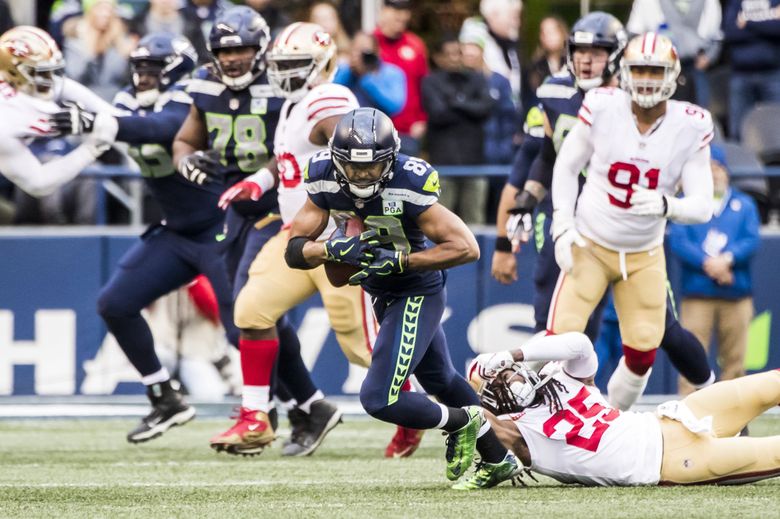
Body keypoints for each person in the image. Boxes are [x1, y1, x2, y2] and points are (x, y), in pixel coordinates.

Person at [285, 107, 521, 490]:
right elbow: (295, 251)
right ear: (336, 159)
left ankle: (465, 422)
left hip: (414, 288)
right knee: (441, 379)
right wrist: (332, 250)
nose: (362, 176)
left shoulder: (409, 181)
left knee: (378, 398)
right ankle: (498, 458)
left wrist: (402, 260)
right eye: (353, 167)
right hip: (380, 291)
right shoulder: (323, 177)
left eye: (371, 168)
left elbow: (466, 247)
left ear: (390, 159)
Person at [496, 15, 713, 399]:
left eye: (596, 52)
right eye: (579, 51)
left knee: (654, 338)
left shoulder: (689, 124)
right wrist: (551, 220)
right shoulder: (584, 101)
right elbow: (551, 161)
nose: (646, 80)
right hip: (588, 233)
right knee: (561, 328)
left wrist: (667, 205)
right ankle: (521, 397)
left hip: (642, 246)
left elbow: (701, 203)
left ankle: (628, 417)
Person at [171, 7, 326, 457]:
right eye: (224, 50)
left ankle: (268, 409)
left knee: (251, 310)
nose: (233, 58)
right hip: (236, 210)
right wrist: (187, 162)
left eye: (241, 48)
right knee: (256, 315)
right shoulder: (204, 84)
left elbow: (297, 145)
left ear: (261, 50)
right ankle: (303, 406)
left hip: (284, 208)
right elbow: (185, 140)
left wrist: (262, 176)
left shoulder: (286, 83)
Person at [92, 33, 251, 443]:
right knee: (115, 303)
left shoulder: (194, 92)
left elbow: (161, 128)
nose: (142, 78)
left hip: (218, 226)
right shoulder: (128, 99)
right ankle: (164, 398)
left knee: (244, 326)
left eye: (152, 70)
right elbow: (121, 126)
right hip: (177, 230)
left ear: (175, 69)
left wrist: (96, 121)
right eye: (139, 69)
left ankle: (304, 405)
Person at [469, 332, 780, 486]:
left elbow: (578, 343)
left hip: (676, 417)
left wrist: (510, 353)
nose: (510, 379)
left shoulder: (563, 377)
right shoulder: (521, 437)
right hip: (674, 463)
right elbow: (470, 418)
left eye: (507, 371)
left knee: (772, 383)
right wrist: (468, 385)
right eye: (497, 383)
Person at [669, 144, 761, 395]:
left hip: (736, 295)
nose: (714, 174)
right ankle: (687, 415)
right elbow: (679, 241)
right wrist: (708, 264)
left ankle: (734, 417)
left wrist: (727, 259)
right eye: (708, 169)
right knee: (690, 360)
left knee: (735, 362)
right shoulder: (687, 204)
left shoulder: (744, 204)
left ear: (727, 172)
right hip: (698, 295)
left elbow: (751, 240)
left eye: (718, 168)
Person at [0, 26, 117, 200]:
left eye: (49, 71)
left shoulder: (24, 84)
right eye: (40, 72)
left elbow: (114, 114)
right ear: (11, 73)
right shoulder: (6, 121)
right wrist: (91, 148)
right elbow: (37, 183)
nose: (49, 79)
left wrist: (111, 121)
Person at [422, 36, 494, 224]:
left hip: (474, 164)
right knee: (442, 224)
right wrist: (468, 106)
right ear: (438, 57)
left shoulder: (477, 79)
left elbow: (485, 108)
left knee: (475, 224)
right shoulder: (430, 82)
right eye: (449, 54)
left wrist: (454, 102)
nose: (455, 58)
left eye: (459, 53)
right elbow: (438, 113)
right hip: (444, 165)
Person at [626, 0, 722, 105]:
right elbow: (634, 33)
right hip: (657, 68)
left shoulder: (709, 1)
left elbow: (717, 36)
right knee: (656, 110)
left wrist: (709, 57)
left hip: (693, 66)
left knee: (699, 111)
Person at [374, 0, 428, 154]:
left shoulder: (415, 45)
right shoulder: (370, 43)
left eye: (405, 10)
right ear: (384, 11)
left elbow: (423, 84)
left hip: (407, 131)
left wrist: (422, 119)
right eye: (396, 10)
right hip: (374, 130)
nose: (402, 15)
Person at [722, 0, 780, 139]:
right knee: (737, 131)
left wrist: (747, 22)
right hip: (741, 74)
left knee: (776, 130)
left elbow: (777, 29)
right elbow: (729, 31)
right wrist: (769, 19)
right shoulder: (736, 2)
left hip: (772, 74)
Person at [61, 0, 135, 101]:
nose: (106, 14)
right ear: (89, 12)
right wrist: (90, 52)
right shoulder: (75, 39)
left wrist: (121, 46)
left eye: (109, 9)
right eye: (100, 9)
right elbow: (75, 77)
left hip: (115, 101)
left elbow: (123, 78)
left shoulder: (119, 39)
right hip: (84, 101)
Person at [459, 0, 525, 108]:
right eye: (512, 17)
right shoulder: (476, 39)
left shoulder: (510, 43)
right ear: (493, 15)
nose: (517, 23)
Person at [461, 38, 516, 167]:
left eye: (474, 48)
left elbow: (509, 117)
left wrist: (504, 150)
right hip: (464, 153)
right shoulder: (453, 80)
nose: (470, 54)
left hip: (495, 152)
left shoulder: (499, 81)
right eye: (466, 49)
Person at [334, 31, 406, 116]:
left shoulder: (393, 73)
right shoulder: (344, 70)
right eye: (356, 50)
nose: (360, 56)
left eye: (365, 51)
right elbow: (332, 93)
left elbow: (394, 107)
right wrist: (350, 72)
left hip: (378, 126)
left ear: (377, 52)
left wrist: (366, 77)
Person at [528, 16, 568, 91]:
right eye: (543, 33)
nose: (547, 36)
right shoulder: (536, 67)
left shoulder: (571, 63)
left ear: (562, 33)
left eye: (552, 31)